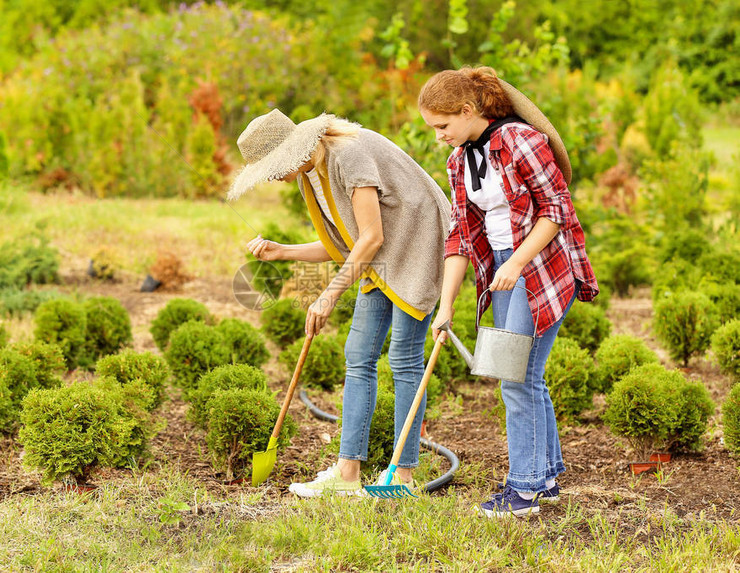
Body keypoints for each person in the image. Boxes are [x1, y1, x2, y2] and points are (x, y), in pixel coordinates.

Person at [229, 108, 451, 497]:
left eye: (271, 167)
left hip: (417, 243)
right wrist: (282, 252)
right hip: (380, 254)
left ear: (290, 151)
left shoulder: (347, 154)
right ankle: (348, 473)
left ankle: (403, 477)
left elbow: (370, 238)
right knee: (359, 353)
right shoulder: (309, 176)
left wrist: (328, 295)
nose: (272, 176)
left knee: (403, 358)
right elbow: (346, 244)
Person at [418, 66, 599, 517]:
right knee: (522, 374)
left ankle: (524, 491)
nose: (438, 135)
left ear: (467, 110)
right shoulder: (460, 160)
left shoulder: (522, 141)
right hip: (502, 268)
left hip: (540, 267)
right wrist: (446, 307)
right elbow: (460, 235)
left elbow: (557, 210)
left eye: (442, 125)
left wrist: (517, 262)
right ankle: (547, 477)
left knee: (516, 378)